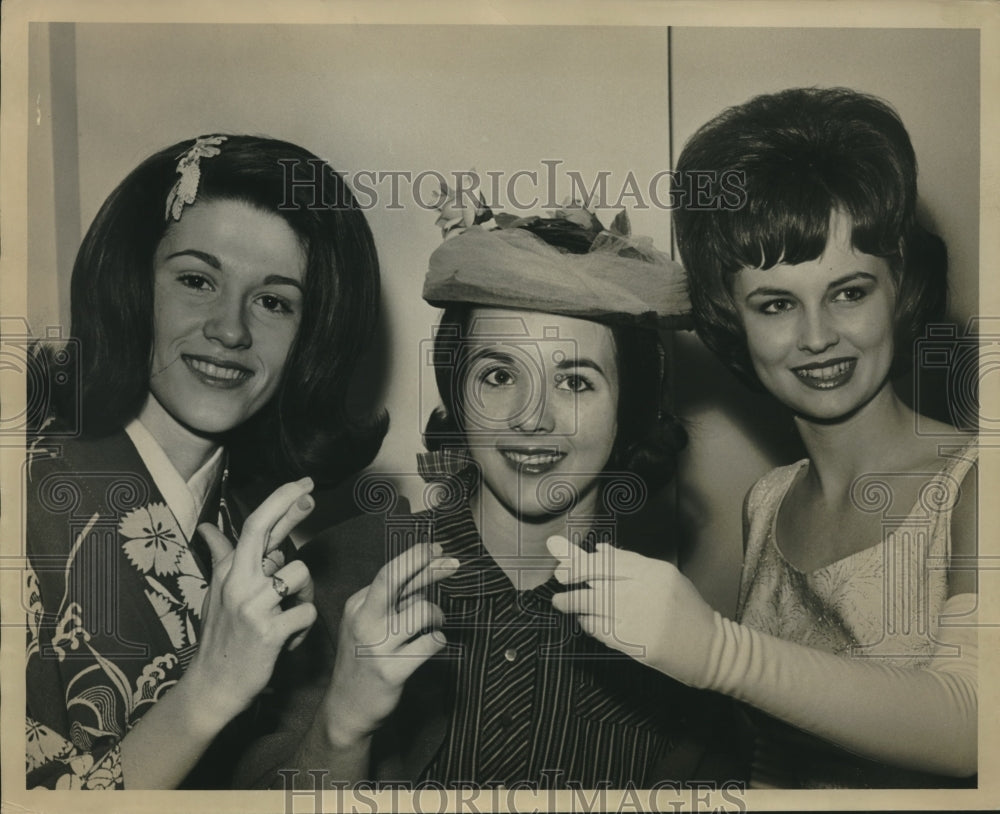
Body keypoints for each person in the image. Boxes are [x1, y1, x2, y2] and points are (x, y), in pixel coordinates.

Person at [549, 87, 978, 788]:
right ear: (732, 319)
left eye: (850, 292)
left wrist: (721, 653)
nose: (816, 337)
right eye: (776, 304)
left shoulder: (976, 482)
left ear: (900, 286)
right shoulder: (769, 503)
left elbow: (975, 724)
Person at [242, 198, 738, 788]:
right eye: (499, 376)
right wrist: (340, 730)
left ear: (628, 411)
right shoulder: (341, 573)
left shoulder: (674, 636)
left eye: (575, 381)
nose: (531, 419)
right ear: (457, 392)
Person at [25, 134, 386, 789]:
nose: (231, 328)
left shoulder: (250, 534)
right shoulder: (21, 502)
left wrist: (342, 720)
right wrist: (213, 686)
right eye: (197, 280)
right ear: (134, 287)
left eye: (275, 301)